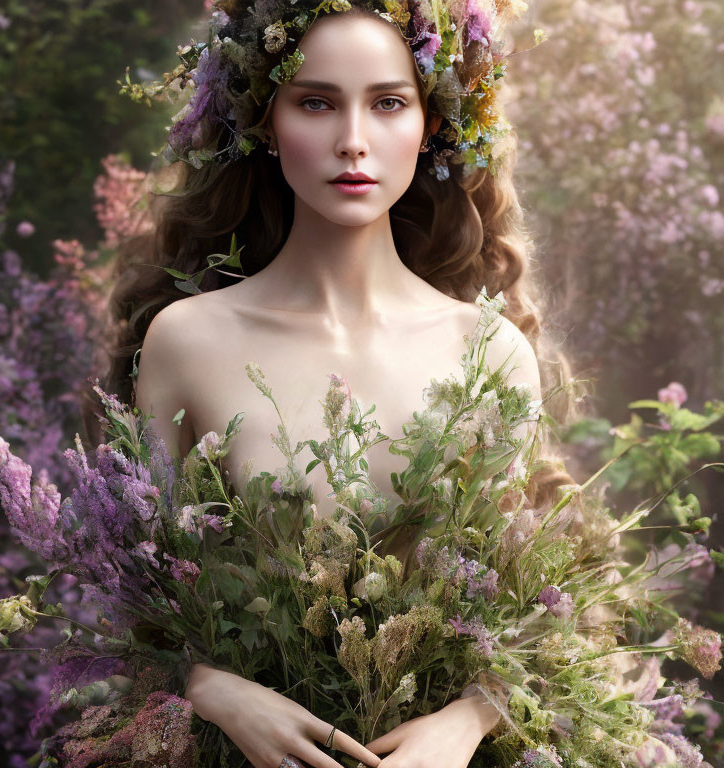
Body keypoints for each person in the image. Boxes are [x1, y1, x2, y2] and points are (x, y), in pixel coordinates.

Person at [89, 4, 577, 767]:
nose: (353, 139)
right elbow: (134, 599)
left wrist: (469, 721)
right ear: (265, 122)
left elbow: (522, 614)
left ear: (431, 122)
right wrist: (211, 687)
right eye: (316, 102)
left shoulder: (489, 350)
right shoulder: (188, 341)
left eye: (388, 102)